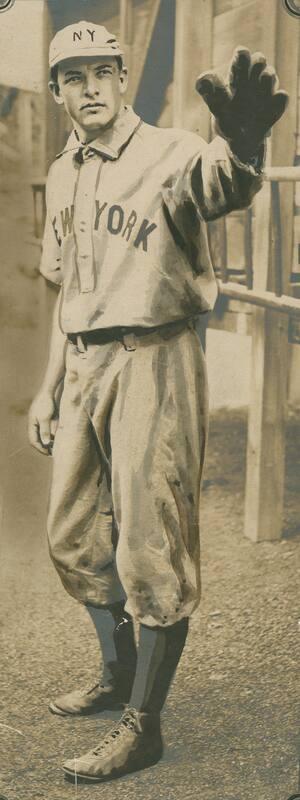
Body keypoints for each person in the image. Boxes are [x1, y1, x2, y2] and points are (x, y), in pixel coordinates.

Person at [28, 20, 287, 784]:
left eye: (104, 72)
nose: (91, 88)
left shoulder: (173, 151)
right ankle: (117, 675)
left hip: (155, 355)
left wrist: (242, 147)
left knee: (151, 543)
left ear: (121, 78)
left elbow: (226, 185)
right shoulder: (64, 171)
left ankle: (145, 725)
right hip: (84, 361)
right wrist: (47, 388)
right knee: (73, 537)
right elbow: (64, 292)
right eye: (73, 77)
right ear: (58, 92)